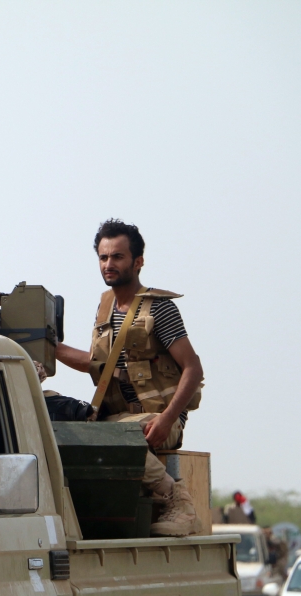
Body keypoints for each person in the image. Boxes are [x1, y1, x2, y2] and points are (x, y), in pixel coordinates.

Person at [56, 219, 205, 536]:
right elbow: (98, 364)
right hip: (118, 420)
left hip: (159, 419)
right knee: (61, 428)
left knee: (115, 438)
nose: (109, 264)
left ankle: (177, 500)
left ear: (138, 261)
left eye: (117, 257)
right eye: (103, 257)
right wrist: (50, 348)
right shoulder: (105, 307)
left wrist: (167, 418)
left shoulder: (158, 309)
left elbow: (193, 368)